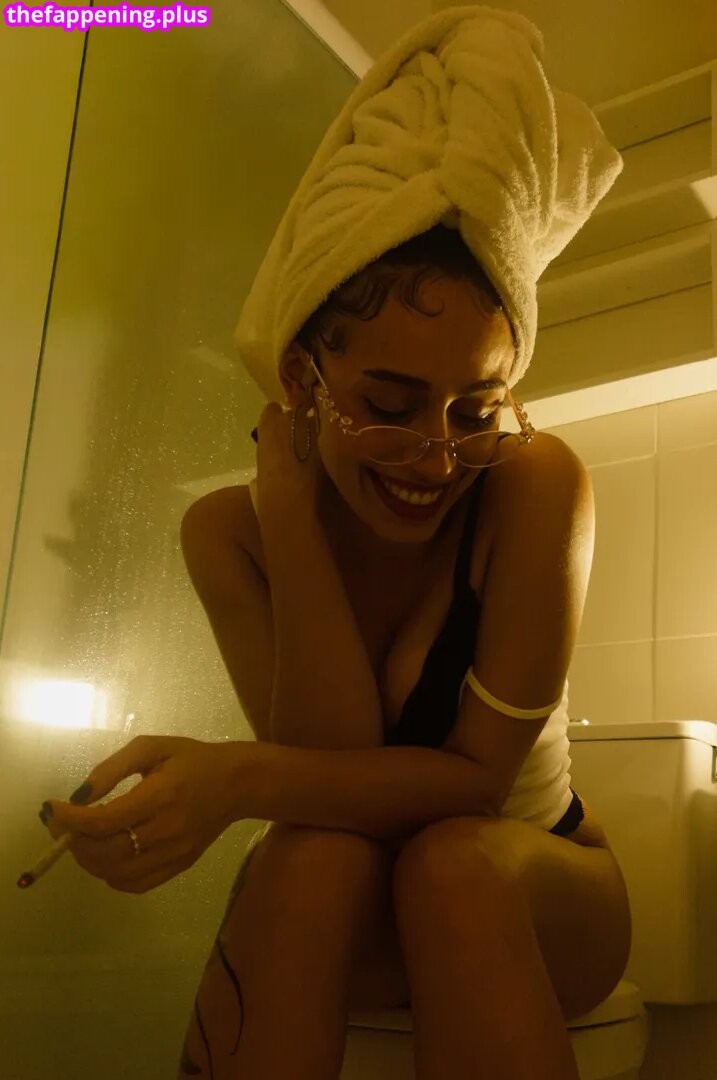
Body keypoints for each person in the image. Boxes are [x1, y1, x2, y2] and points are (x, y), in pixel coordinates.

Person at [174, 8, 633, 1078]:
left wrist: (236, 780)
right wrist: (289, 512)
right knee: (312, 859)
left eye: (476, 408)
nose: (436, 455)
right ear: (304, 378)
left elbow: (473, 787)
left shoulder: (534, 485)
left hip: (536, 886)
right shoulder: (228, 534)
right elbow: (328, 772)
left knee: (450, 863)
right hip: (358, 901)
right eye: (388, 403)